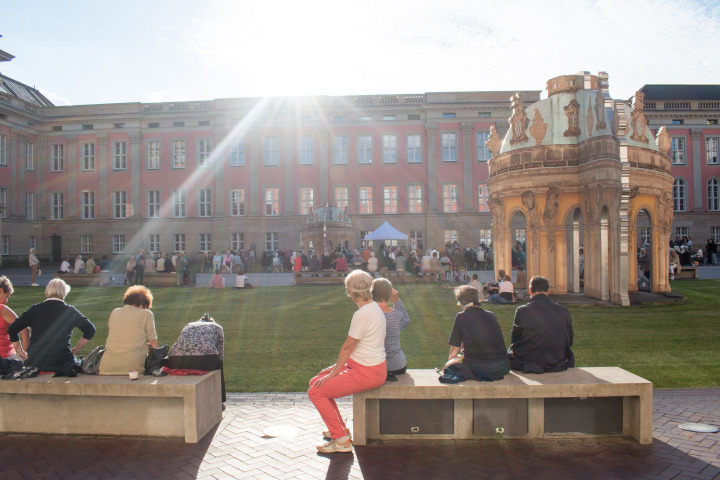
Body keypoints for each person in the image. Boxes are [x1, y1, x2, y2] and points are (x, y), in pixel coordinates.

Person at [308, 270, 386, 453]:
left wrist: (336, 371)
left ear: (350, 292)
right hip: (365, 366)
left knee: (316, 392)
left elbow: (348, 346)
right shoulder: (373, 307)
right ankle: (340, 429)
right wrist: (336, 367)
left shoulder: (363, 314)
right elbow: (356, 349)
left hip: (368, 372)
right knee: (316, 381)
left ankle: (341, 440)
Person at [8, 278, 96, 372]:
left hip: (36, 361)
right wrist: (76, 349)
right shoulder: (69, 311)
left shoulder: (34, 310)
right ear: (63, 295)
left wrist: (19, 351)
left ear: (47, 293)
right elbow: (90, 329)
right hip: (62, 361)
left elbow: (12, 329)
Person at [439, 285, 510, 384]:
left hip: (479, 367)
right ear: (477, 299)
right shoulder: (491, 315)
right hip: (502, 367)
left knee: (454, 366)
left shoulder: (462, 316)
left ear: (460, 302)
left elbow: (453, 352)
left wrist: (449, 364)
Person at [507, 276, 574, 374]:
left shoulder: (523, 311)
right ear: (548, 292)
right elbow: (569, 340)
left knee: (507, 355)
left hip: (529, 359)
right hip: (556, 359)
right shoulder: (563, 311)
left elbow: (514, 339)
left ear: (530, 291)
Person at [166, 313, 225, 404]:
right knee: (219, 363)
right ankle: (220, 401)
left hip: (176, 360)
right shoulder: (217, 327)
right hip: (204, 360)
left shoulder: (189, 325)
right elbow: (220, 351)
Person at [98, 285, 158, 375]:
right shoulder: (146, 314)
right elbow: (153, 341)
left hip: (107, 365)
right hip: (133, 366)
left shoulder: (115, 312)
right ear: (143, 303)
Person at [372, 278, 410, 381]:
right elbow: (406, 320)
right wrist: (396, 300)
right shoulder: (396, 315)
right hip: (398, 365)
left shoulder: (369, 314)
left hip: (376, 366)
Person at [0, 276, 30, 360]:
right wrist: (23, 351)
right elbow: (24, 329)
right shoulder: (2, 309)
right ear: (1, 290)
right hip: (6, 357)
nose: (6, 301)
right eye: (7, 297)